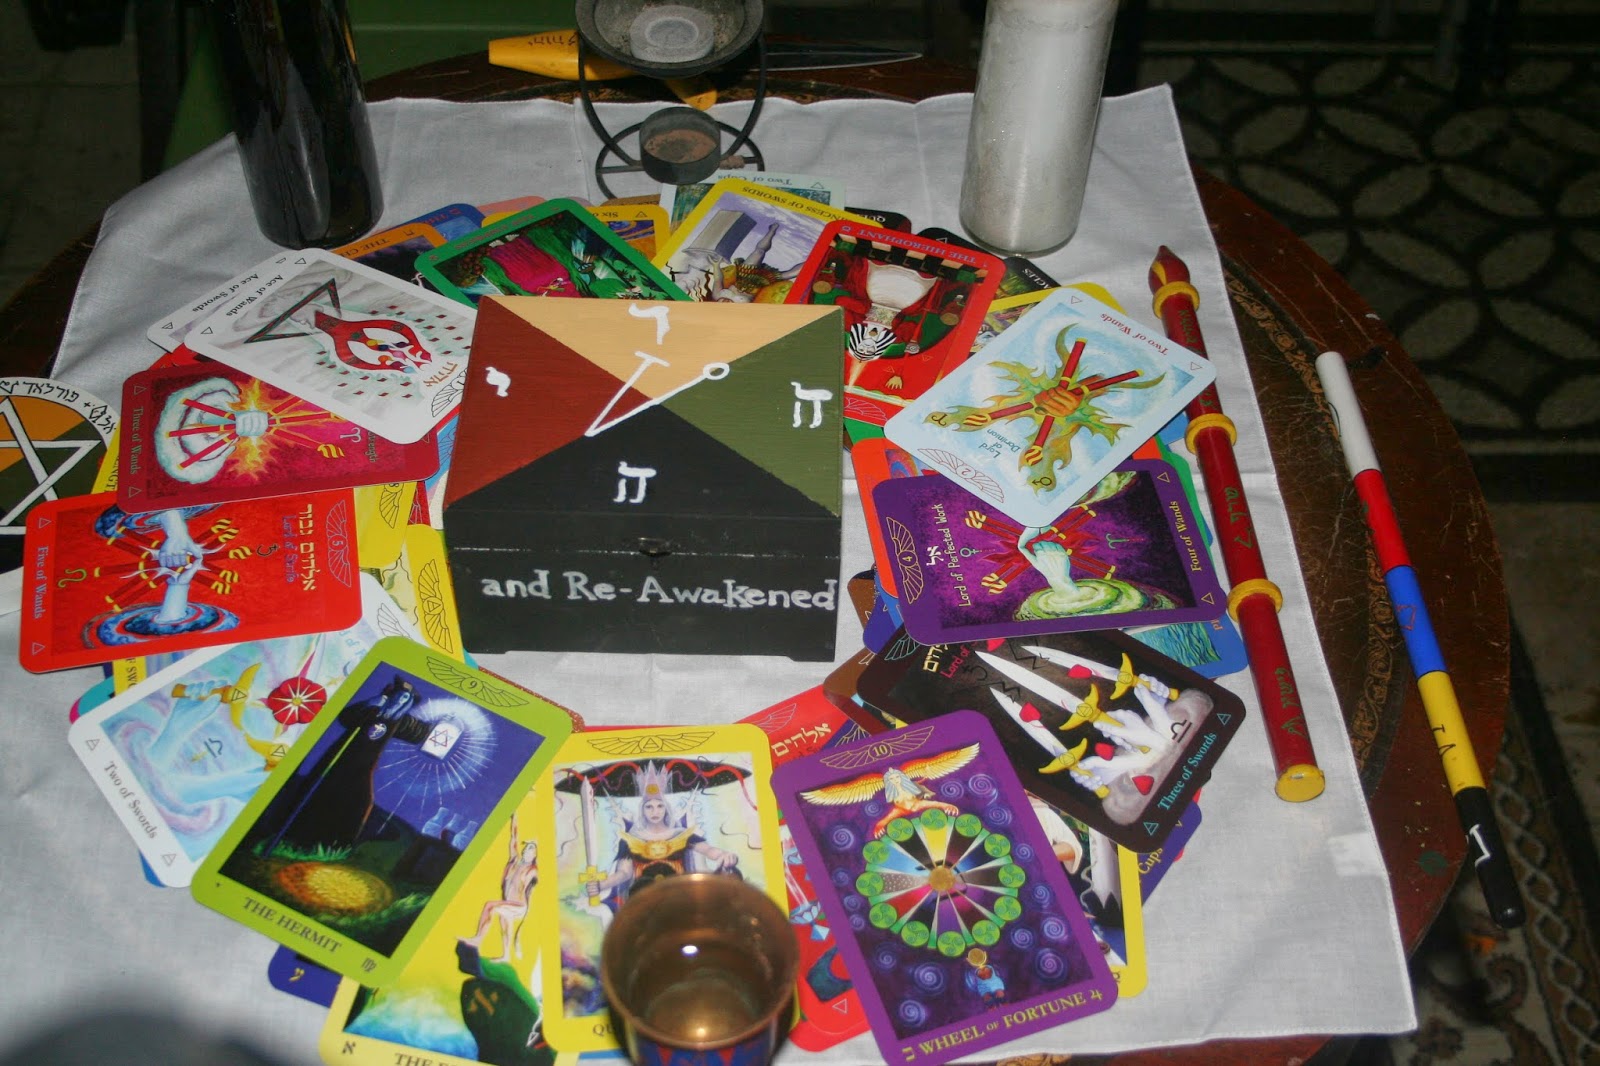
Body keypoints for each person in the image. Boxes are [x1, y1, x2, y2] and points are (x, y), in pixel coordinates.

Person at [583, 763, 738, 911]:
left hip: (678, 898)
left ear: (666, 808)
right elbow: (624, 873)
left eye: (659, 806)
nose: (655, 811)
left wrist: (724, 855)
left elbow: (709, 850)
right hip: (643, 898)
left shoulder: (681, 834)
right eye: (649, 807)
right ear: (642, 810)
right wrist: (601, 885)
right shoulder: (631, 839)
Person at [462, 814, 538, 965]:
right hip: (508, 902)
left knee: (490, 905)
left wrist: (539, 841)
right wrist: (514, 818)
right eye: (526, 847)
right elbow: (514, 837)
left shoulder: (532, 869)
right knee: (505, 926)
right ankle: (506, 956)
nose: (526, 850)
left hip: (518, 906)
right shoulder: (514, 860)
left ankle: (478, 939)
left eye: (531, 848)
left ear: (536, 854)